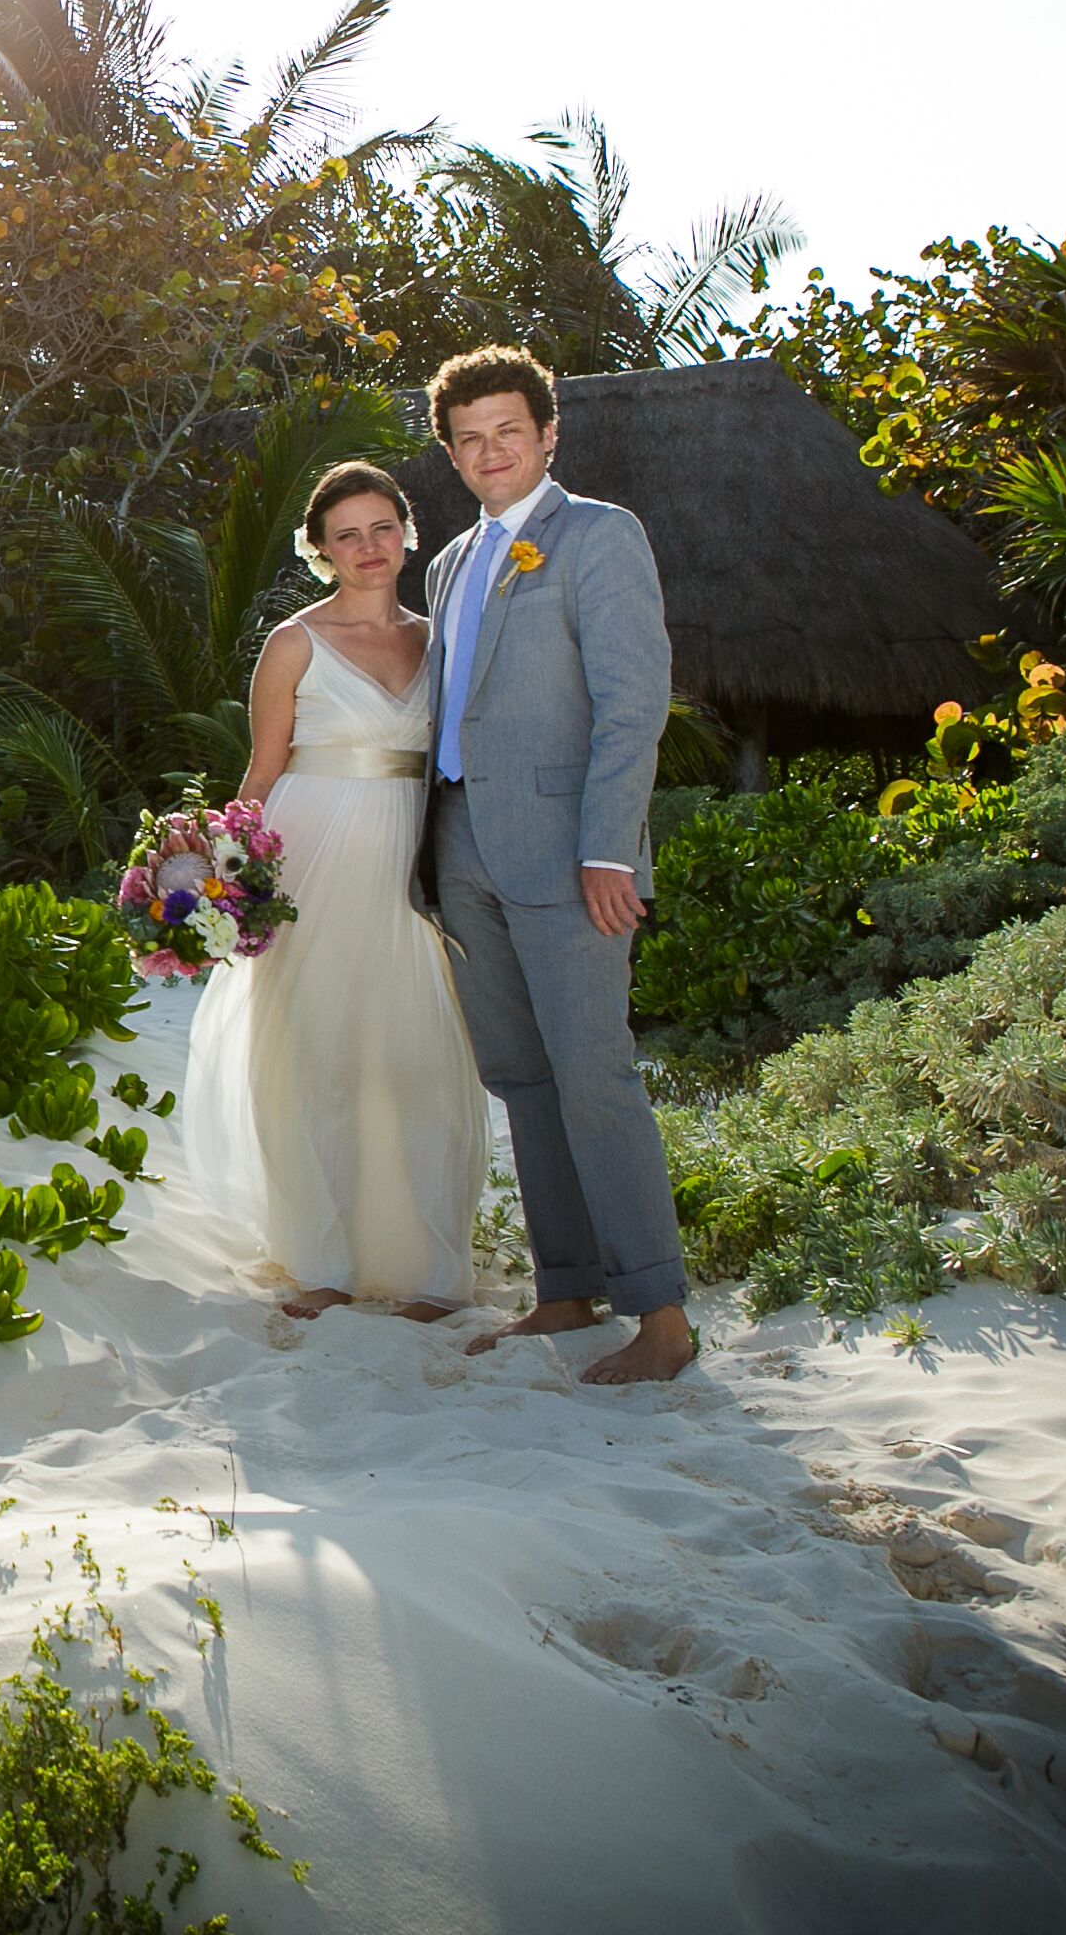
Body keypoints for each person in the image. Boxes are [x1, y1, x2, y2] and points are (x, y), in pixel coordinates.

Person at [416, 345, 695, 1385]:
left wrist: (606, 849)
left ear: (547, 435)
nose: (490, 452)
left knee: (596, 1078)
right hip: (459, 848)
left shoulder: (600, 537)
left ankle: (660, 1318)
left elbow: (632, 707)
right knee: (522, 1081)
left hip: (572, 855)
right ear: (451, 452)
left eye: (508, 432)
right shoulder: (447, 565)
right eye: (470, 438)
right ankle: (566, 1289)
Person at [184, 460, 490, 1319]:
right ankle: (317, 1261)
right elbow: (260, 772)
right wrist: (221, 880)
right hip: (310, 856)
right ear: (319, 549)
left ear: (407, 532)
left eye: (381, 528)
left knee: (419, 1058)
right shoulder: (294, 644)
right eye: (346, 535)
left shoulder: (442, 641)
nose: (368, 548)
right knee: (313, 1055)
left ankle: (425, 1265)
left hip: (414, 865)